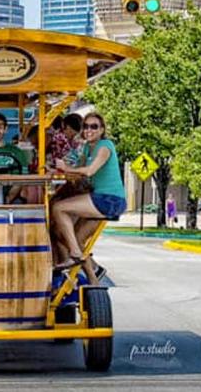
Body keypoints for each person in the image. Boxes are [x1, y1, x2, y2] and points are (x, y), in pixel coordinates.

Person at [50, 112, 126, 278]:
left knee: (58, 208)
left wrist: (66, 169)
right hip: (99, 197)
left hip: (110, 200)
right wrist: (57, 168)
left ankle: (75, 255)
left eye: (94, 126)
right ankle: (94, 280)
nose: (89, 130)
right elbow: (76, 165)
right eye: (86, 126)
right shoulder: (86, 148)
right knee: (72, 237)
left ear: (102, 130)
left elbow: (90, 171)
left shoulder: (105, 146)